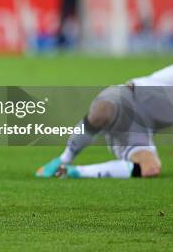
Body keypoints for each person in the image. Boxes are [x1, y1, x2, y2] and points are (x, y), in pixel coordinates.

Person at [36, 65, 173, 179]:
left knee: (150, 169)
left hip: (139, 128)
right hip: (127, 97)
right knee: (102, 111)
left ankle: (72, 172)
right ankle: (64, 158)